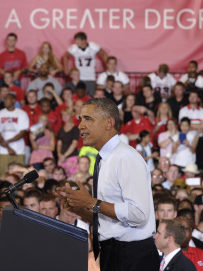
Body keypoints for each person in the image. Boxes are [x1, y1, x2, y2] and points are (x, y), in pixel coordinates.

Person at [57, 98, 159, 271]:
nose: (81, 125)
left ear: (109, 123)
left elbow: (139, 214)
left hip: (133, 256)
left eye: (88, 119)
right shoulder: (104, 160)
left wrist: (90, 202)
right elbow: (109, 222)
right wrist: (81, 209)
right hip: (113, 253)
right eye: (80, 119)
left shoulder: (126, 158)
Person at [63, 32, 108, 97]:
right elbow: (65, 56)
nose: (76, 42)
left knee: (92, 98)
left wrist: (107, 66)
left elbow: (104, 54)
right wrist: (66, 69)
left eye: (78, 40)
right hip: (79, 78)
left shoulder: (93, 46)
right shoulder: (74, 48)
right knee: (79, 97)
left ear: (84, 40)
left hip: (91, 77)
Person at [0, 94, 29, 176]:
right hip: (3, 151)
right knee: (3, 175)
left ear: (13, 100)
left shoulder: (22, 114)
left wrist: (7, 142)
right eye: (4, 99)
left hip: (19, 149)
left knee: (20, 175)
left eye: (7, 99)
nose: (5, 101)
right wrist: (8, 147)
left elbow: (22, 133)